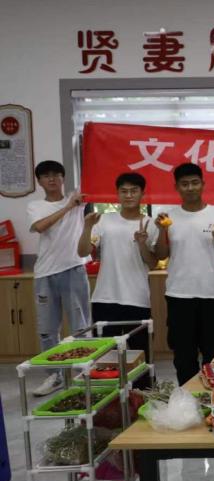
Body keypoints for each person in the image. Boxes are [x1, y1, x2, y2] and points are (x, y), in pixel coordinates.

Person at [153, 163, 214, 386]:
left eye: (194, 183)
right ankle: (187, 399)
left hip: (213, 294)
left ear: (203, 184)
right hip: (179, 295)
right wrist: (161, 232)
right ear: (177, 187)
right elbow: (160, 255)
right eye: (184, 184)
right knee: (183, 356)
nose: (190, 188)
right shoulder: (168, 217)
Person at [77, 172, 157, 362]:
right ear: (117, 194)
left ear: (142, 193)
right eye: (124, 191)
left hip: (137, 299)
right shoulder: (104, 220)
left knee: (142, 356)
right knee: (106, 358)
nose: (129, 195)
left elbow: (153, 263)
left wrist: (142, 244)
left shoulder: (150, 224)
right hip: (105, 298)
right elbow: (82, 252)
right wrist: (87, 227)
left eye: (134, 191)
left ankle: (144, 383)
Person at [28, 160, 91, 396]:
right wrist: (67, 207)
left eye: (56, 174)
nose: (52, 179)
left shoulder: (78, 199)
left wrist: (74, 203)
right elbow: (40, 226)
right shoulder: (35, 206)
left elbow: (96, 178)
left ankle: (84, 371)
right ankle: (55, 375)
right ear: (40, 181)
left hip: (74, 269)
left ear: (63, 178)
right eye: (46, 176)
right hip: (45, 273)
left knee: (81, 326)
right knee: (47, 330)